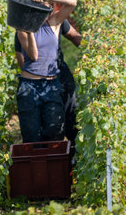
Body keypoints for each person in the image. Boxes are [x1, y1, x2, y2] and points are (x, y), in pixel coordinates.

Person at [16, 0, 77, 143]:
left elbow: (72, 3)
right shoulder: (23, 29)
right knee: (31, 136)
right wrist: (30, 29)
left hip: (51, 85)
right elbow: (33, 56)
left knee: (55, 131)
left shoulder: (55, 22)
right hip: (29, 86)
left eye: (45, 6)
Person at [15, 18, 81, 152]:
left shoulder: (56, 20)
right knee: (37, 128)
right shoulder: (24, 27)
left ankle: (73, 153)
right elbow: (21, 58)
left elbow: (75, 36)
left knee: (69, 118)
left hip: (60, 74)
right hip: (37, 79)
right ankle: (44, 156)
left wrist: (91, 51)